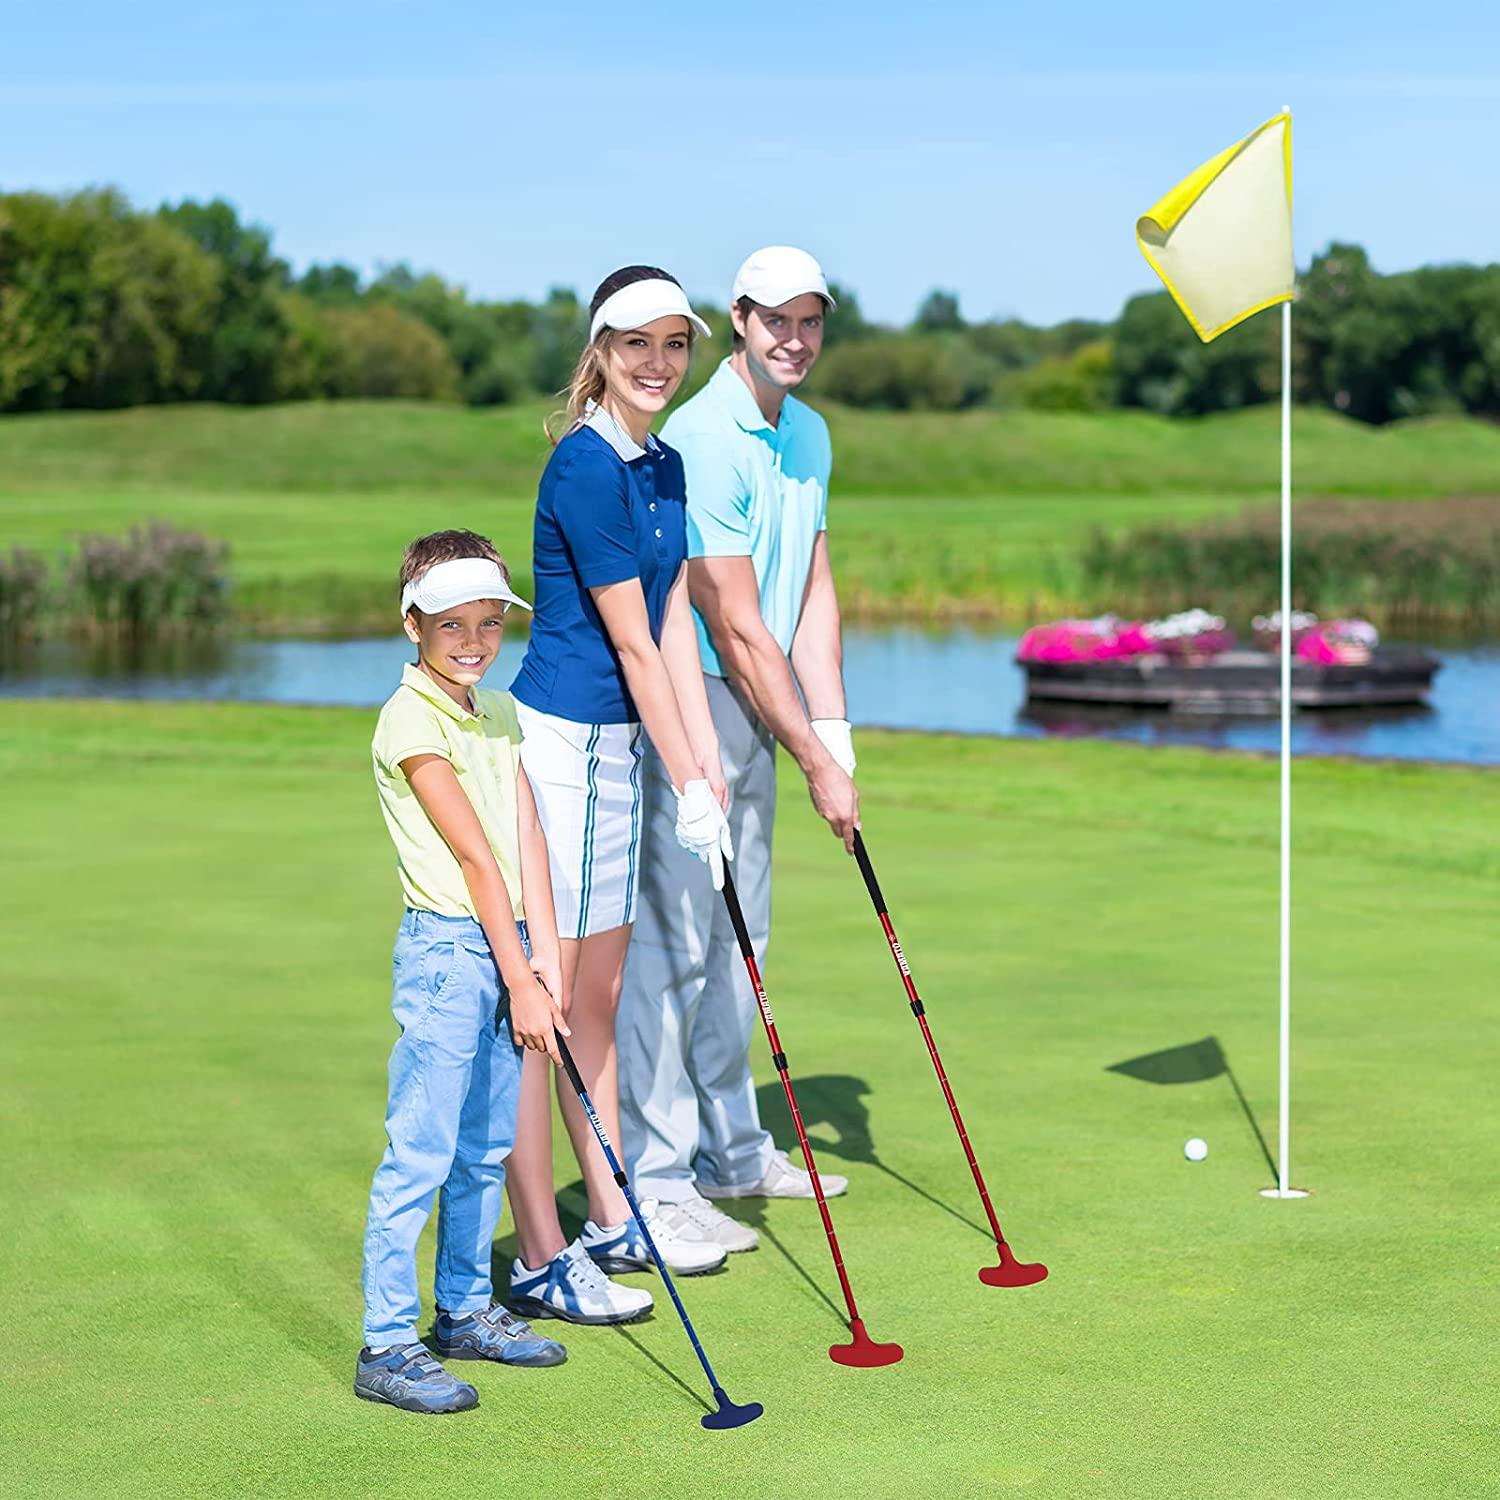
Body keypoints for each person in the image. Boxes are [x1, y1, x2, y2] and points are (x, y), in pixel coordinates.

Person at [504, 265, 737, 1324]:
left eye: (675, 345)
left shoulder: (667, 466)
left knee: (593, 1000)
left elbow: (677, 623)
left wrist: (705, 760)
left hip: (621, 753)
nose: (657, 364)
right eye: (635, 344)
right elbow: (630, 643)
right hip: (567, 746)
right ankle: (542, 1252)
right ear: (599, 350)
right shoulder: (589, 467)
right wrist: (682, 772)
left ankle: (609, 1211)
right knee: (549, 1009)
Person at [618, 246, 858, 1253]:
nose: (794, 339)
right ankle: (655, 1177)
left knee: (741, 942)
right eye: (776, 321)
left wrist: (833, 728)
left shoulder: (809, 435)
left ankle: (731, 1148)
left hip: (769, 703)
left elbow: (810, 592)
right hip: (701, 695)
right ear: (741, 319)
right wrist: (815, 760)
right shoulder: (703, 439)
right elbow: (736, 617)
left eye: (810, 322)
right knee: (676, 947)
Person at [356, 530, 569, 1415]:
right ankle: (386, 1342)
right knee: (423, 1148)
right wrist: (520, 976)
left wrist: (545, 959)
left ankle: (464, 1311)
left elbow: (526, 836)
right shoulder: (410, 718)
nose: (475, 641)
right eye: (453, 625)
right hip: (451, 953)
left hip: (509, 942)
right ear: (413, 623)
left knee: (486, 1144)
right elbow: (477, 858)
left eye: (490, 623)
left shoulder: (497, 710)